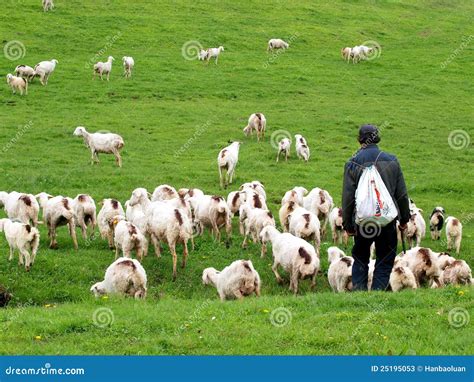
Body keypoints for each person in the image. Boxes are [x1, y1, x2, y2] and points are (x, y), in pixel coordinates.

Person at [342, 124, 410, 291]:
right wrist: (404, 219)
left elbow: (348, 197)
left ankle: (359, 293)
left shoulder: (352, 163)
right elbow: (401, 194)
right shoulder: (392, 161)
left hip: (363, 222)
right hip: (386, 221)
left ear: (359, 140)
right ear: (377, 138)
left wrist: (348, 225)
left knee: (360, 258)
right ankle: (378, 293)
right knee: (385, 259)